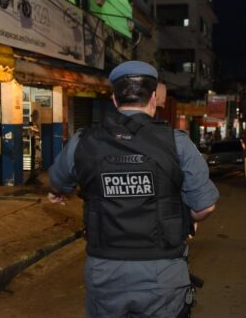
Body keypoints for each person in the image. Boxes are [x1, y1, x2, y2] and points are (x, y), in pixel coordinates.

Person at [48, 61, 219, 317]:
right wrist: (188, 219)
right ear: (153, 98)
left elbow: (57, 183)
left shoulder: (82, 141)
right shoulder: (178, 143)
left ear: (115, 101)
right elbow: (205, 206)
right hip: (162, 273)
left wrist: (58, 193)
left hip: (105, 271)